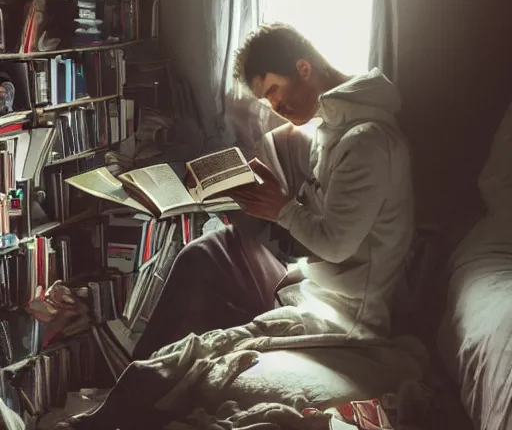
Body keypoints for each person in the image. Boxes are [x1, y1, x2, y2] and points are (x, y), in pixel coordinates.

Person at [133, 23, 413, 359]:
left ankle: (145, 374)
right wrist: (264, 202)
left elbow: (337, 245)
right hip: (310, 278)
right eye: (267, 99)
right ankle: (141, 366)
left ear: (303, 69)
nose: (275, 106)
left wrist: (283, 208)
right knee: (208, 249)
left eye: (274, 90)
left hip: (343, 306)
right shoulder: (332, 127)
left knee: (209, 321)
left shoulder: (366, 140)